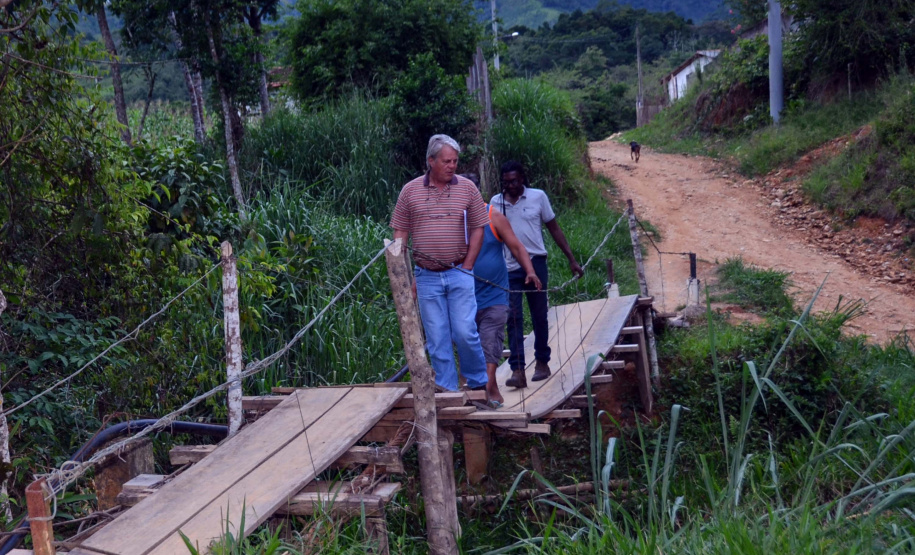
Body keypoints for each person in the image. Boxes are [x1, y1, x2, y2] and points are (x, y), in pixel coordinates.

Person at [390, 135, 490, 393]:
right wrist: (405, 276)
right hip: (426, 277)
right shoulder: (410, 191)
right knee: (437, 338)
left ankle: (478, 384)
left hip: (459, 272)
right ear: (431, 161)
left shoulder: (467, 188)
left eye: (455, 161)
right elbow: (400, 233)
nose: (452, 166)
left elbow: (479, 227)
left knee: (466, 332)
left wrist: (468, 265)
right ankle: (448, 392)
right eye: (446, 161)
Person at [490, 161, 584, 388]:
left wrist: (571, 259)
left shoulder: (538, 197)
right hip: (509, 267)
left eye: (514, 181)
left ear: (522, 178)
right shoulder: (496, 202)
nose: (510, 186)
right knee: (513, 317)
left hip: (536, 262)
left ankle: (542, 361)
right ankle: (518, 369)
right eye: (506, 182)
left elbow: (554, 228)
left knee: (539, 315)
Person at [460, 174, 542, 407]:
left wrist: (530, 271)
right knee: (466, 342)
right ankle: (489, 389)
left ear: (478, 192)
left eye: (470, 191)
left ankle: (486, 389)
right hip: (463, 297)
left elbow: (516, 246)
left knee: (490, 341)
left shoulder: (493, 216)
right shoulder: (452, 220)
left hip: (494, 296)